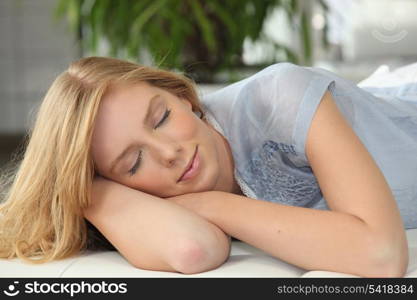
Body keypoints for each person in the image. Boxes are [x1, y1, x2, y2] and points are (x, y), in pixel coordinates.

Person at [0, 56, 415, 277]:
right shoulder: (135, 197)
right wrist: (85, 190)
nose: (169, 153)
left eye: (161, 117)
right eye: (133, 161)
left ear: (182, 96)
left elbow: (381, 257)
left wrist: (211, 205)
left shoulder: (279, 96)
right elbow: (193, 249)